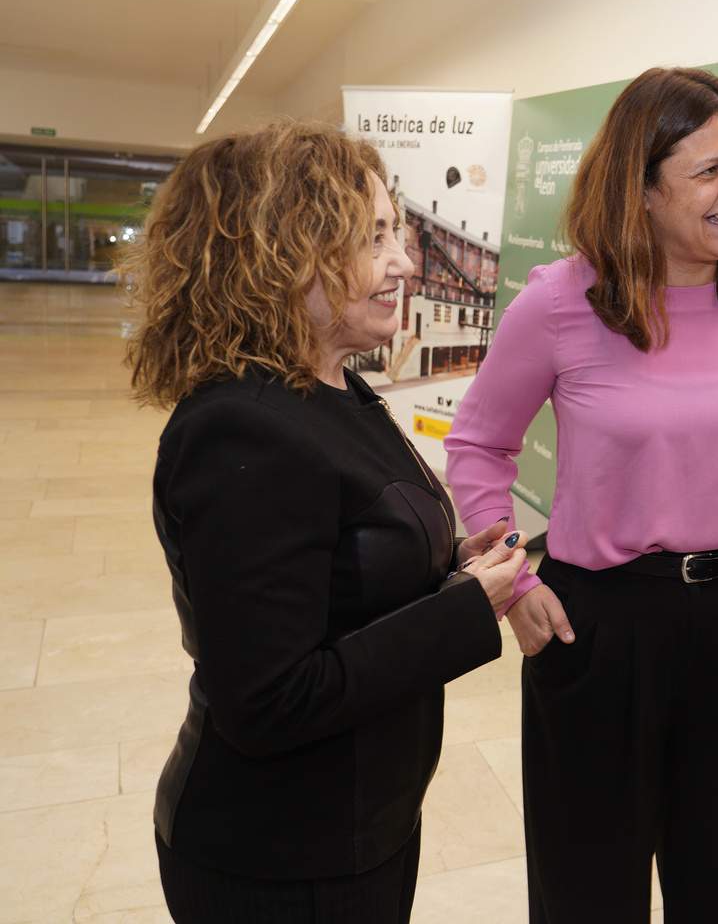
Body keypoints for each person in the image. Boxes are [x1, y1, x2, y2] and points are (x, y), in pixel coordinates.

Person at [445, 66, 718, 923]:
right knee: (588, 893)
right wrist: (513, 580)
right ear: (642, 189)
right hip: (597, 628)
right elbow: (478, 444)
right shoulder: (560, 302)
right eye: (710, 170)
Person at [124, 120, 529, 924]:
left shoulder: (334, 386)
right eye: (375, 237)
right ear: (286, 253)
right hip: (278, 859)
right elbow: (270, 701)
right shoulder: (242, 429)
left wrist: (448, 561)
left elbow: (340, 558)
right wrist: (463, 610)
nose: (406, 262)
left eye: (399, 234)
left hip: (358, 827)